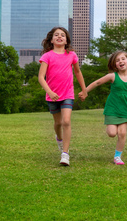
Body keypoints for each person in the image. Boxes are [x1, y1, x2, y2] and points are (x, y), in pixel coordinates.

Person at [79, 51, 127, 165]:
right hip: (112, 109)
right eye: (117, 60)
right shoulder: (112, 76)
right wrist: (85, 91)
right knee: (112, 133)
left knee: (122, 134)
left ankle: (117, 157)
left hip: (126, 110)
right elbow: (97, 83)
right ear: (115, 65)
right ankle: (111, 129)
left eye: (123, 59)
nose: (120, 61)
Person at [38, 27, 87, 166]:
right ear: (51, 40)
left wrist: (84, 90)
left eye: (63, 35)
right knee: (58, 123)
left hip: (67, 94)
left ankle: (65, 154)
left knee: (66, 121)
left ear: (66, 40)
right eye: (56, 35)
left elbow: (78, 72)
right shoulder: (47, 56)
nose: (60, 37)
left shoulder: (71, 55)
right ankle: (59, 139)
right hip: (52, 95)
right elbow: (41, 77)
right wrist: (50, 92)